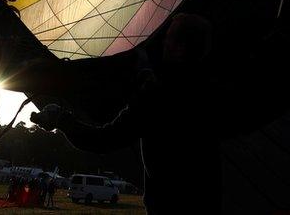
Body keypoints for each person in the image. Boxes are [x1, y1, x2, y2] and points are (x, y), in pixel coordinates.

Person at [30, 13, 223, 214]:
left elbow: (102, 140)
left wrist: (61, 120)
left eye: (169, 38)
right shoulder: (210, 94)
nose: (164, 42)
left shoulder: (155, 99)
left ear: (181, 48)